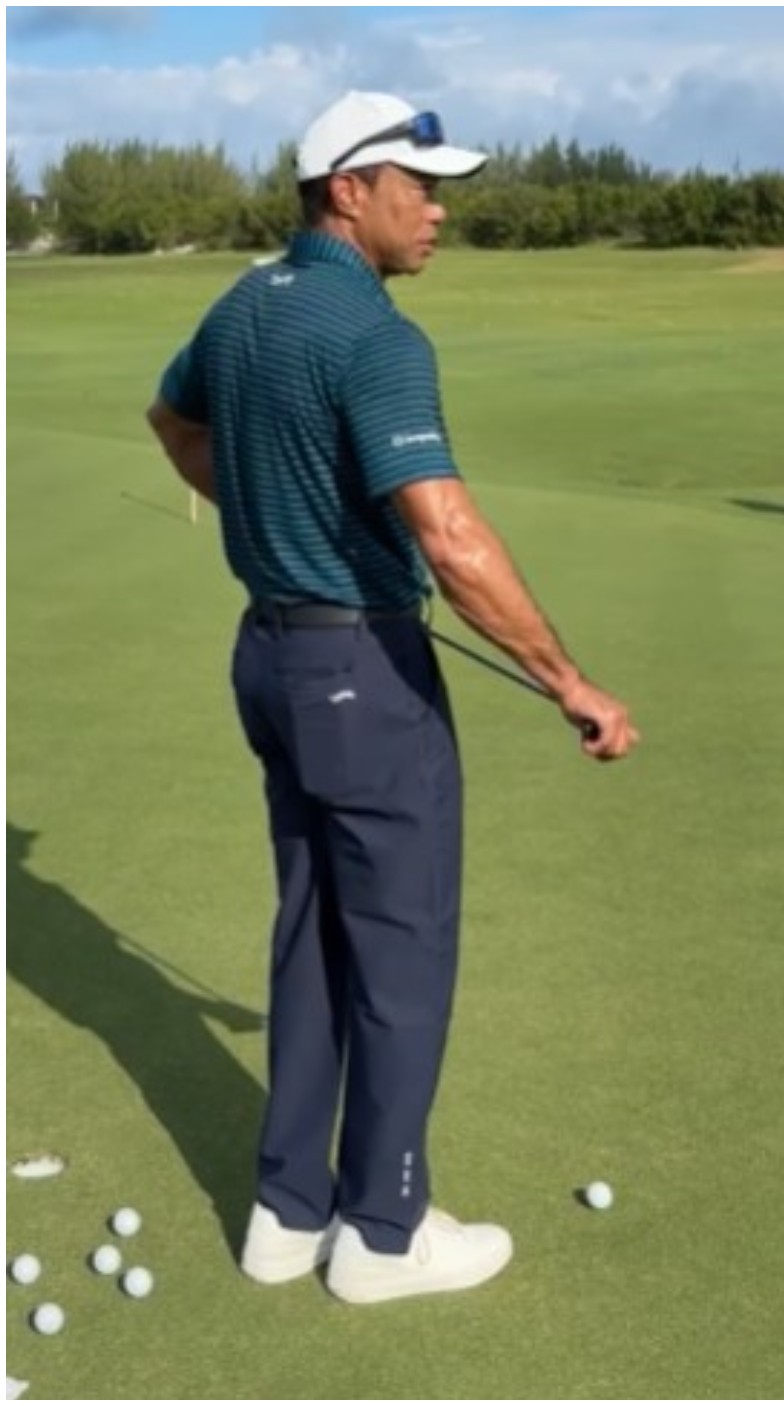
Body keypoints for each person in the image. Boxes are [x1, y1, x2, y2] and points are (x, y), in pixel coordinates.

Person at [143, 91, 639, 1305]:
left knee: (313, 931)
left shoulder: (243, 303)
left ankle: (284, 1212)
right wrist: (568, 680)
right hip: (361, 673)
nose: (440, 206)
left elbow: (173, 418)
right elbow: (453, 539)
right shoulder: (372, 335)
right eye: (417, 184)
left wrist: (271, 517)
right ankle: (383, 1228)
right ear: (346, 190)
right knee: (402, 954)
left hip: (268, 657)